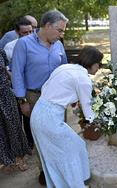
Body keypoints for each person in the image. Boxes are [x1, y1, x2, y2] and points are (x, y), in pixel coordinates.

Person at [30, 46, 103, 188]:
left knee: (68, 148)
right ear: (93, 63)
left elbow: (49, 88)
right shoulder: (83, 79)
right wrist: (101, 123)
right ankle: (74, 184)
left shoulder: (65, 67)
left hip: (39, 111)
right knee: (67, 153)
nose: (99, 67)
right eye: (99, 64)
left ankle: (70, 181)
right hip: (49, 119)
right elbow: (88, 111)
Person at [11, 10, 68, 185]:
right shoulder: (24, 44)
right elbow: (17, 73)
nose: (62, 34)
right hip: (34, 97)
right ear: (48, 26)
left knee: (59, 134)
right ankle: (45, 171)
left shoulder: (58, 44)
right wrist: (22, 100)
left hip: (58, 97)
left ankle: (60, 168)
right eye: (60, 30)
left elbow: (65, 69)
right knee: (41, 137)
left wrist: (71, 94)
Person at [0, 49, 31, 172]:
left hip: (6, 94)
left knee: (13, 126)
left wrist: (18, 87)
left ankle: (19, 158)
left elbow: (6, 70)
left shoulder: (1, 52)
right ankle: (6, 160)